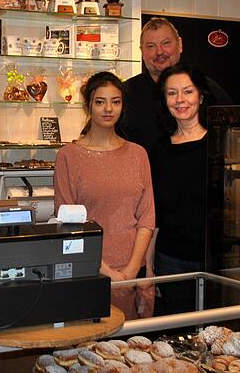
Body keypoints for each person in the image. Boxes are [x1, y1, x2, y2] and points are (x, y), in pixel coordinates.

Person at [54, 72, 155, 319]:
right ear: (88, 105)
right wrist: (106, 270)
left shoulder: (137, 154)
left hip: (133, 271)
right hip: (89, 270)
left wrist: (132, 269)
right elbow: (68, 222)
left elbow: (146, 217)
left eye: (116, 101)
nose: (108, 109)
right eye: (100, 102)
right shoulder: (69, 156)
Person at [149, 63, 212, 315]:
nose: (180, 100)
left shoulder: (219, 143)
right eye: (171, 93)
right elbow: (153, 212)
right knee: (178, 336)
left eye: (187, 91)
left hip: (214, 260)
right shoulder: (159, 150)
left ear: (201, 95)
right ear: (164, 100)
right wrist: (149, 264)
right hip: (171, 259)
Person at [122, 17, 231, 153]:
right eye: (151, 46)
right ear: (142, 51)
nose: (160, 52)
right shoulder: (124, 93)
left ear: (180, 45)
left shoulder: (206, 88)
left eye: (166, 43)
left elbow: (231, 138)